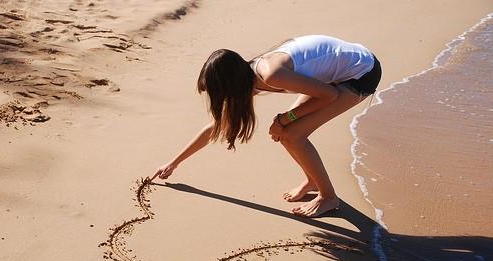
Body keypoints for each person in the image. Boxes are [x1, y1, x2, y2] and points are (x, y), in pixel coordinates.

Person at [151, 35, 382, 217]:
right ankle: (313, 180)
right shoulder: (248, 77)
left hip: (361, 72)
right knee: (288, 133)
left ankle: (328, 197)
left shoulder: (270, 74)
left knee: (293, 134)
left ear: (229, 83)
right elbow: (217, 125)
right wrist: (174, 163)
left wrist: (284, 119)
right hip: (334, 75)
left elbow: (329, 96)